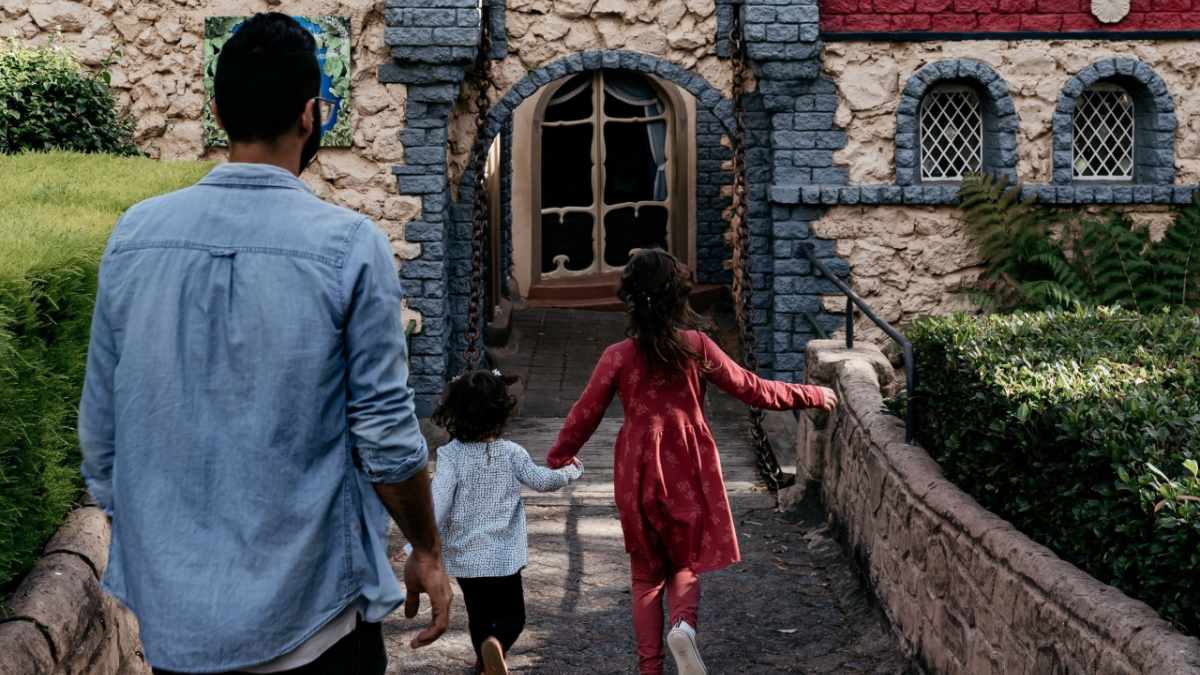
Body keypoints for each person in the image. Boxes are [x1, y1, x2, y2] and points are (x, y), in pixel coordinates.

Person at [77, 13, 451, 674]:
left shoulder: (134, 236)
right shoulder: (349, 247)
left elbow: (102, 438)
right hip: (313, 620)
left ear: (217, 111)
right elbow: (388, 438)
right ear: (312, 115)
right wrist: (426, 545)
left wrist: (160, 545)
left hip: (173, 631)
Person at [545, 249, 838, 675]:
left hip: (636, 470)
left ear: (630, 298)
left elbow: (583, 414)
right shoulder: (696, 347)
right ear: (679, 297)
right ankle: (683, 626)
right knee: (684, 564)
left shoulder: (617, 356)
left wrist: (560, 457)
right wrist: (810, 394)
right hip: (687, 464)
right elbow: (752, 389)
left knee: (646, 574)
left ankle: (650, 667)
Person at [419, 369, 584, 674]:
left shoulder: (450, 455)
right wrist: (571, 471)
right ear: (501, 411)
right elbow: (541, 481)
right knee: (513, 616)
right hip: (502, 556)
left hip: (466, 558)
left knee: (478, 615)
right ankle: (497, 645)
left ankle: (485, 661)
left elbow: (437, 503)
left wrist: (414, 544)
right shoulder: (512, 453)